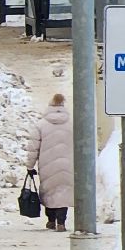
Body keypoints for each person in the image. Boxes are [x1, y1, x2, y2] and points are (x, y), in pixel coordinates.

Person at [26, 93, 72, 232]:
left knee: (49, 191)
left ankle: (51, 220)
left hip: (47, 165)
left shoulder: (40, 125)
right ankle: (61, 222)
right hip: (68, 165)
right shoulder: (73, 123)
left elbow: (33, 147)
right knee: (64, 192)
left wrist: (30, 165)